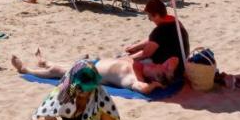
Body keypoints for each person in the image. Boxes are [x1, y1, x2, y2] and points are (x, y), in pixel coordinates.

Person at [12, 48, 180, 96]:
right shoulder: (146, 65)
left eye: (163, 68)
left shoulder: (134, 79)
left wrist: (156, 85)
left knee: (57, 71)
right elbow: (173, 59)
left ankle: (26, 69)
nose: (162, 64)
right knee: (70, 64)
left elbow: (143, 88)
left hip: (91, 73)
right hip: (95, 62)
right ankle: (44, 61)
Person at [126, 0, 189, 79]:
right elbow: (152, 40)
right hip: (183, 61)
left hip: (172, 69)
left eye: (149, 17)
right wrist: (135, 47)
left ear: (157, 15)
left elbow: (146, 54)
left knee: (134, 63)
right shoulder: (175, 21)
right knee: (137, 51)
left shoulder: (159, 31)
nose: (150, 20)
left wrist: (129, 59)